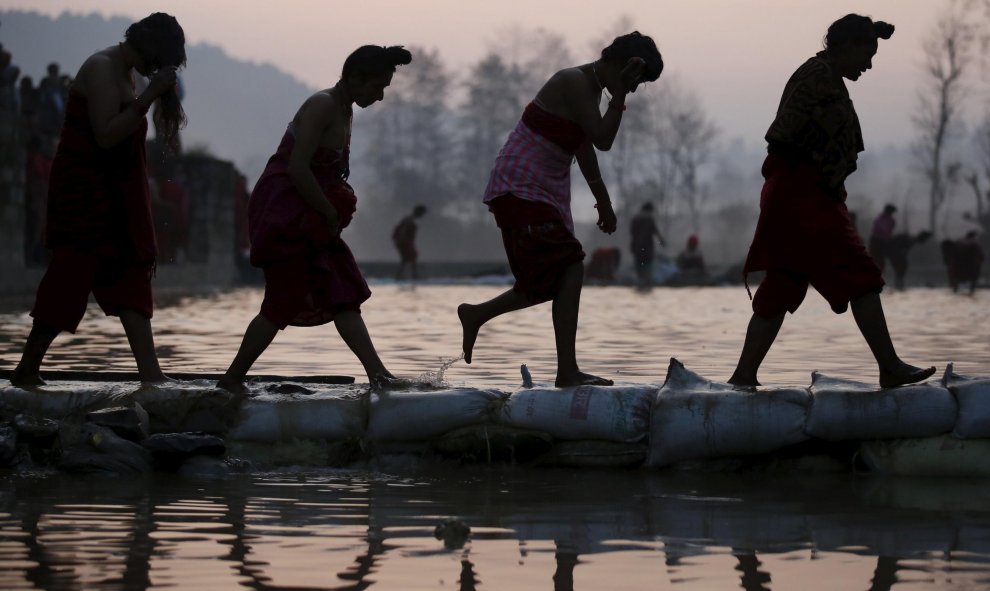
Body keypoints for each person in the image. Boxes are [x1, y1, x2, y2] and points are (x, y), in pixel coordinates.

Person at [728, 15, 934, 389]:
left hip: (798, 197)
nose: (868, 64)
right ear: (847, 46)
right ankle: (889, 366)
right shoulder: (817, 77)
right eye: (866, 54)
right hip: (804, 200)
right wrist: (820, 175)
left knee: (783, 284)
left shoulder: (824, 77)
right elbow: (784, 137)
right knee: (861, 276)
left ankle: (743, 376)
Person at [457, 32, 663, 387]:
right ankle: (566, 370)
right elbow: (602, 138)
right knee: (569, 267)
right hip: (520, 186)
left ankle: (477, 315)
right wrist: (620, 95)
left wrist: (604, 202)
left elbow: (585, 147)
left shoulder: (592, 91)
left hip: (542, 191)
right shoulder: (573, 81)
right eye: (634, 79)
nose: (632, 87)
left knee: (553, 276)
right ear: (619, 64)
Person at [218, 45, 412, 393]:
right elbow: (297, 167)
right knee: (282, 301)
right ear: (354, 78)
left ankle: (379, 375)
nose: (380, 97)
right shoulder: (323, 105)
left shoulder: (344, 109)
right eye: (377, 87)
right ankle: (231, 380)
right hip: (287, 214)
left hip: (313, 214)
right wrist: (326, 209)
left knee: (342, 291)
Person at [10, 13, 186, 386]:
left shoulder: (129, 73)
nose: (155, 67)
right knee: (69, 275)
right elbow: (105, 135)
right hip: (84, 191)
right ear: (145, 43)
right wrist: (149, 96)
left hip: (115, 192)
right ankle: (27, 367)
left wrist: (150, 96)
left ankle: (151, 375)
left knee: (131, 274)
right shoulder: (103, 66)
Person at [629, 202, 665, 286]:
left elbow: (632, 233)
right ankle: (647, 282)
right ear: (649, 210)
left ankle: (640, 281)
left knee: (639, 266)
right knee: (647, 266)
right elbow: (656, 232)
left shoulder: (635, 218)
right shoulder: (649, 218)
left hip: (637, 248)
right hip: (647, 248)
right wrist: (661, 242)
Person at [392, 204, 426, 280]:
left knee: (407, 258)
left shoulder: (410, 219)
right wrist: (401, 241)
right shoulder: (409, 219)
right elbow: (403, 231)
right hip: (404, 242)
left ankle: (403, 276)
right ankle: (413, 276)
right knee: (411, 256)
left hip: (405, 242)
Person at [868, 203, 897, 273]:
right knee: (877, 258)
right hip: (878, 241)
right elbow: (878, 229)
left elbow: (889, 231)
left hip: (881, 241)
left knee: (878, 259)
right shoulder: (883, 219)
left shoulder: (890, 220)